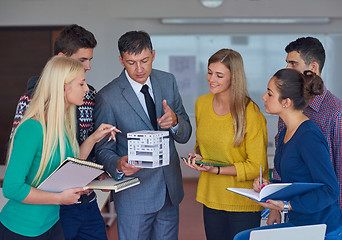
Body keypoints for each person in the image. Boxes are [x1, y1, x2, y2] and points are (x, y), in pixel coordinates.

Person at [0, 56, 119, 239]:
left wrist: (94, 138)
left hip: (52, 224)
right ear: (64, 87)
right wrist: (60, 198)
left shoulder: (62, 124)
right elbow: (12, 188)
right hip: (22, 229)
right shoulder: (32, 128)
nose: (87, 89)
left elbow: (68, 164)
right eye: (81, 84)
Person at [93, 30, 192, 240]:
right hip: (133, 195)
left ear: (153, 55)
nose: (139, 69)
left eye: (144, 60)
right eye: (131, 62)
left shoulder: (168, 81)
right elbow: (102, 150)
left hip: (169, 192)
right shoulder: (107, 97)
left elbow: (185, 133)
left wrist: (175, 122)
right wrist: (119, 163)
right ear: (121, 60)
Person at [234, 69, 342, 240]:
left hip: (322, 227)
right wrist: (269, 186)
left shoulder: (308, 136)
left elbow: (330, 190)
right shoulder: (286, 131)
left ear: (286, 102)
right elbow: (297, 180)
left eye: (270, 94)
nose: (264, 97)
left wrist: (287, 205)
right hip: (301, 223)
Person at [269, 37, 342, 226]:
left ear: (313, 67)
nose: (287, 68)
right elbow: (281, 166)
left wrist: (338, 224)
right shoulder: (287, 108)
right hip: (295, 215)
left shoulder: (337, 113)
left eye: (293, 63)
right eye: (286, 62)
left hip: (324, 220)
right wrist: (275, 208)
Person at [182, 49, 268, 240]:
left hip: (242, 201)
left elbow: (256, 167)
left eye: (219, 75)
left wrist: (217, 170)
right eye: (210, 72)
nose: (211, 79)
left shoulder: (251, 113)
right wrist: (199, 158)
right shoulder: (201, 104)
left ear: (234, 78)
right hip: (211, 198)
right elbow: (201, 146)